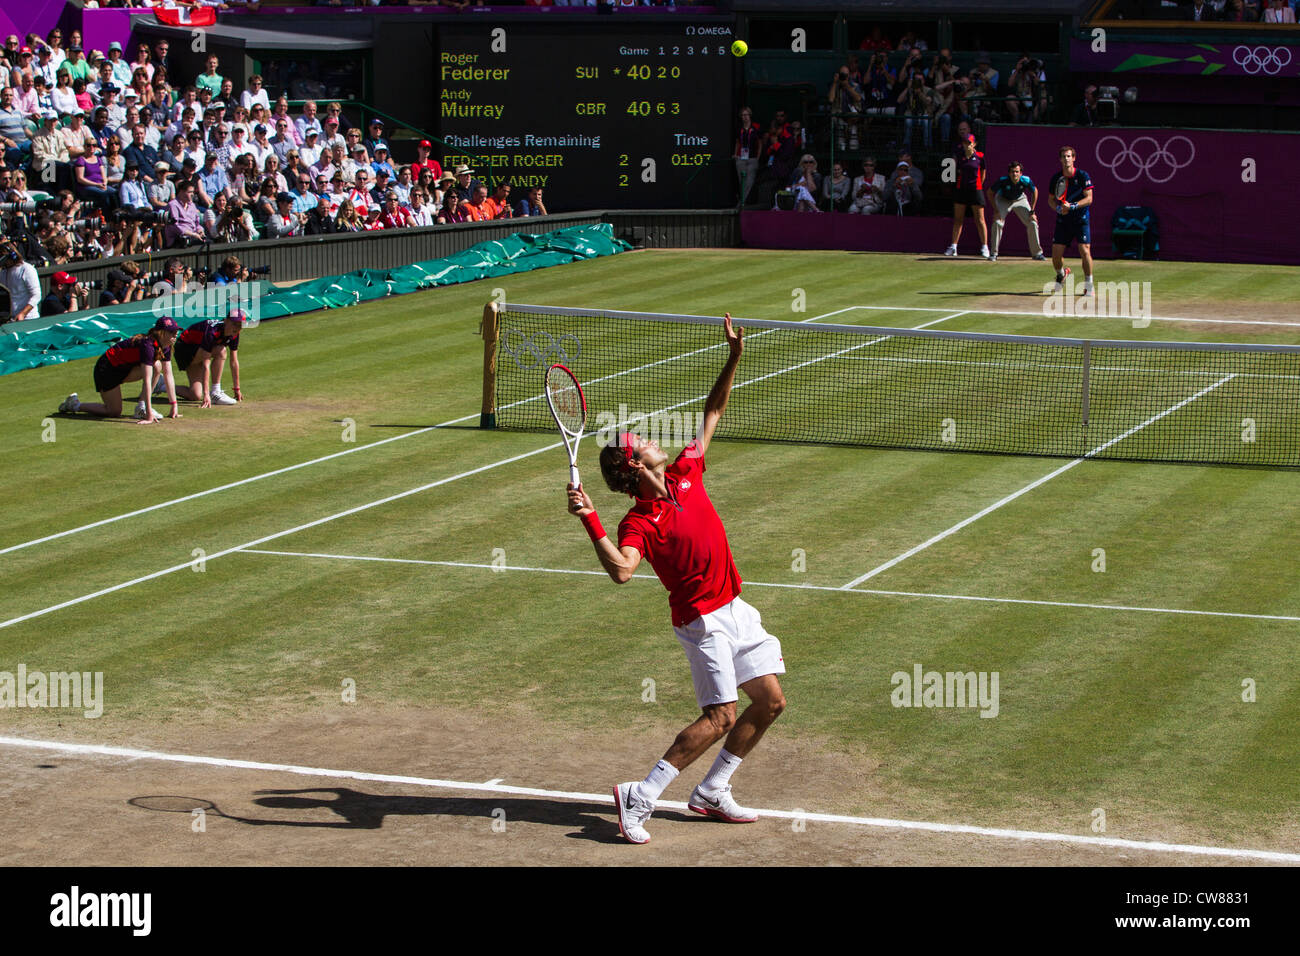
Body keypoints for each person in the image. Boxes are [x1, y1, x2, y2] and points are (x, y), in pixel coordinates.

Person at [566, 314, 787, 846]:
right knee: (718, 716)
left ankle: (712, 790)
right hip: (702, 621)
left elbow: (713, 409)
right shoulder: (637, 522)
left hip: (735, 606)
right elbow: (623, 571)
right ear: (632, 465)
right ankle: (640, 797)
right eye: (637, 440)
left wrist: (733, 355)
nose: (646, 437)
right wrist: (590, 521)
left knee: (771, 701)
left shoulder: (688, 470)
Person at [58, 316, 181, 423]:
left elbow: (168, 374)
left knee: (157, 366)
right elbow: (147, 380)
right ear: (161, 333)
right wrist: (149, 414)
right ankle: (74, 405)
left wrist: (174, 405)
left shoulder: (166, 347)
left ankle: (141, 408)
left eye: (176, 331)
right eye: (172, 331)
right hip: (106, 369)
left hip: (124, 369)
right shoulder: (147, 346)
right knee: (114, 411)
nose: (175, 334)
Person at [172, 309, 245, 406]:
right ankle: (215, 392)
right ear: (226, 320)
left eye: (240, 325)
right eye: (234, 323)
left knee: (195, 395)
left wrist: (237, 389)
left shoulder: (235, 334)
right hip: (184, 350)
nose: (237, 327)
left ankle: (162, 385)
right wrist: (207, 394)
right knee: (221, 351)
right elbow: (206, 364)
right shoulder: (212, 331)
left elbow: (234, 361)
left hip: (198, 351)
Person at [1048, 145, 1094, 295]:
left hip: (1081, 220)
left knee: (1084, 250)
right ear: (1060, 159)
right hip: (1063, 221)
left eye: (1069, 156)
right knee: (1055, 256)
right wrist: (1059, 209)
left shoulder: (1082, 176)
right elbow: (1050, 200)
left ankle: (1089, 284)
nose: (1066, 159)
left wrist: (1073, 206)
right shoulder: (1056, 178)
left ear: (1073, 158)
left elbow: (1089, 198)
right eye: (1064, 156)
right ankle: (1061, 274)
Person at [985, 161, 1044, 262]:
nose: (1014, 174)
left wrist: (1032, 211)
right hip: (1003, 199)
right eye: (1012, 172)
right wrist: (996, 210)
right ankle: (993, 254)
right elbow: (989, 192)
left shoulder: (1026, 180)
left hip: (1020, 199)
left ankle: (1037, 254)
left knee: (1033, 222)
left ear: (1021, 173)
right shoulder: (1002, 180)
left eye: (1017, 172)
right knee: (998, 222)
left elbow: (1035, 191)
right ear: (1009, 173)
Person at [944, 134, 990, 259]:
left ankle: (985, 247)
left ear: (974, 144)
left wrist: (978, 184)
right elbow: (952, 172)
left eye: (969, 143)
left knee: (980, 220)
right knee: (958, 219)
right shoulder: (959, 157)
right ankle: (953, 247)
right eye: (964, 143)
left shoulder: (980, 156)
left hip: (976, 190)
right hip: (961, 190)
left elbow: (983, 173)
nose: (967, 145)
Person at [0, 238, 41, 323]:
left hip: (28, 319)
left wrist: (23, 313)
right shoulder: (3, 273)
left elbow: (36, 295)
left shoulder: (26, 269)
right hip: (10, 320)